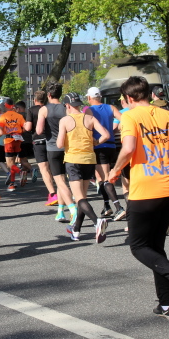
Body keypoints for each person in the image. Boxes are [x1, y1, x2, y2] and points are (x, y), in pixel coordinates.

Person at [109, 76, 169, 321]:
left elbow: (128, 148)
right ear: (148, 94)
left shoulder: (129, 117)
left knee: (138, 246)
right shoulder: (168, 115)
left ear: (128, 98)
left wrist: (115, 170)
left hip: (145, 190)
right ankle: (166, 304)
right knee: (156, 248)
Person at [57, 92, 111, 243]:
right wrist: (96, 142)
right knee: (83, 198)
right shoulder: (90, 118)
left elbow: (60, 144)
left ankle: (97, 221)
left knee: (79, 198)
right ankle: (76, 230)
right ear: (79, 104)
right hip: (89, 160)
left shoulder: (65, 120)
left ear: (68, 105)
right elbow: (106, 135)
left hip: (73, 161)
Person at [36, 82, 77, 223]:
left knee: (59, 181)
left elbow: (39, 131)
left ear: (48, 94)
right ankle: (60, 211)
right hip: (67, 148)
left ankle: (73, 209)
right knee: (63, 180)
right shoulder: (67, 108)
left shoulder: (44, 109)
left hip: (53, 148)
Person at [86, 86, 125, 220]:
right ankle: (106, 206)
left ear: (89, 98)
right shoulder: (111, 108)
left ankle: (118, 208)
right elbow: (124, 119)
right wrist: (115, 130)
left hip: (99, 145)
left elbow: (86, 127)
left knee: (105, 179)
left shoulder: (89, 110)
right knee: (101, 179)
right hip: (112, 145)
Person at [24, 90, 57, 206]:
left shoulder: (31, 110)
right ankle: (61, 191)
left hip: (38, 141)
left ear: (35, 100)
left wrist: (24, 125)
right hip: (51, 140)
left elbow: (28, 128)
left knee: (44, 169)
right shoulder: (49, 108)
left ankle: (52, 194)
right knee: (54, 167)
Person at [0, 97, 26, 193]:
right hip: (18, 139)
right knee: (13, 162)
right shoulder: (19, 116)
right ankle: (12, 183)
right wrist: (20, 132)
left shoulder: (3, 116)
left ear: (6, 105)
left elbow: (0, 129)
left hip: (9, 140)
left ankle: (20, 172)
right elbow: (25, 127)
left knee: (9, 163)